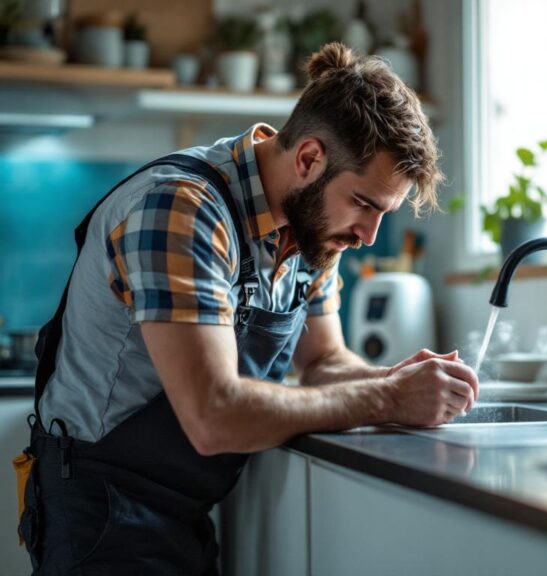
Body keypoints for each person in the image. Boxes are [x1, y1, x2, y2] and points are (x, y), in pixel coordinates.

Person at [15, 42, 478, 575]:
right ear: (308, 159)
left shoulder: (311, 233)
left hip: (182, 507)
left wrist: (399, 380)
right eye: (365, 205)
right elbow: (212, 414)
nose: (369, 237)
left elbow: (326, 361)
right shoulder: (181, 209)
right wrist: (385, 396)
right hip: (99, 508)